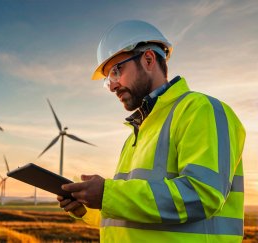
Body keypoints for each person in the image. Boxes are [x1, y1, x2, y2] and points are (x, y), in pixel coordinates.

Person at [57, 20, 245, 242]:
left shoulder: (200, 110)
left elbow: (202, 195)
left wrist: (107, 194)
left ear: (148, 59)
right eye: (108, 80)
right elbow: (135, 215)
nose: (113, 85)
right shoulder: (138, 133)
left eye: (116, 71)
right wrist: (87, 208)